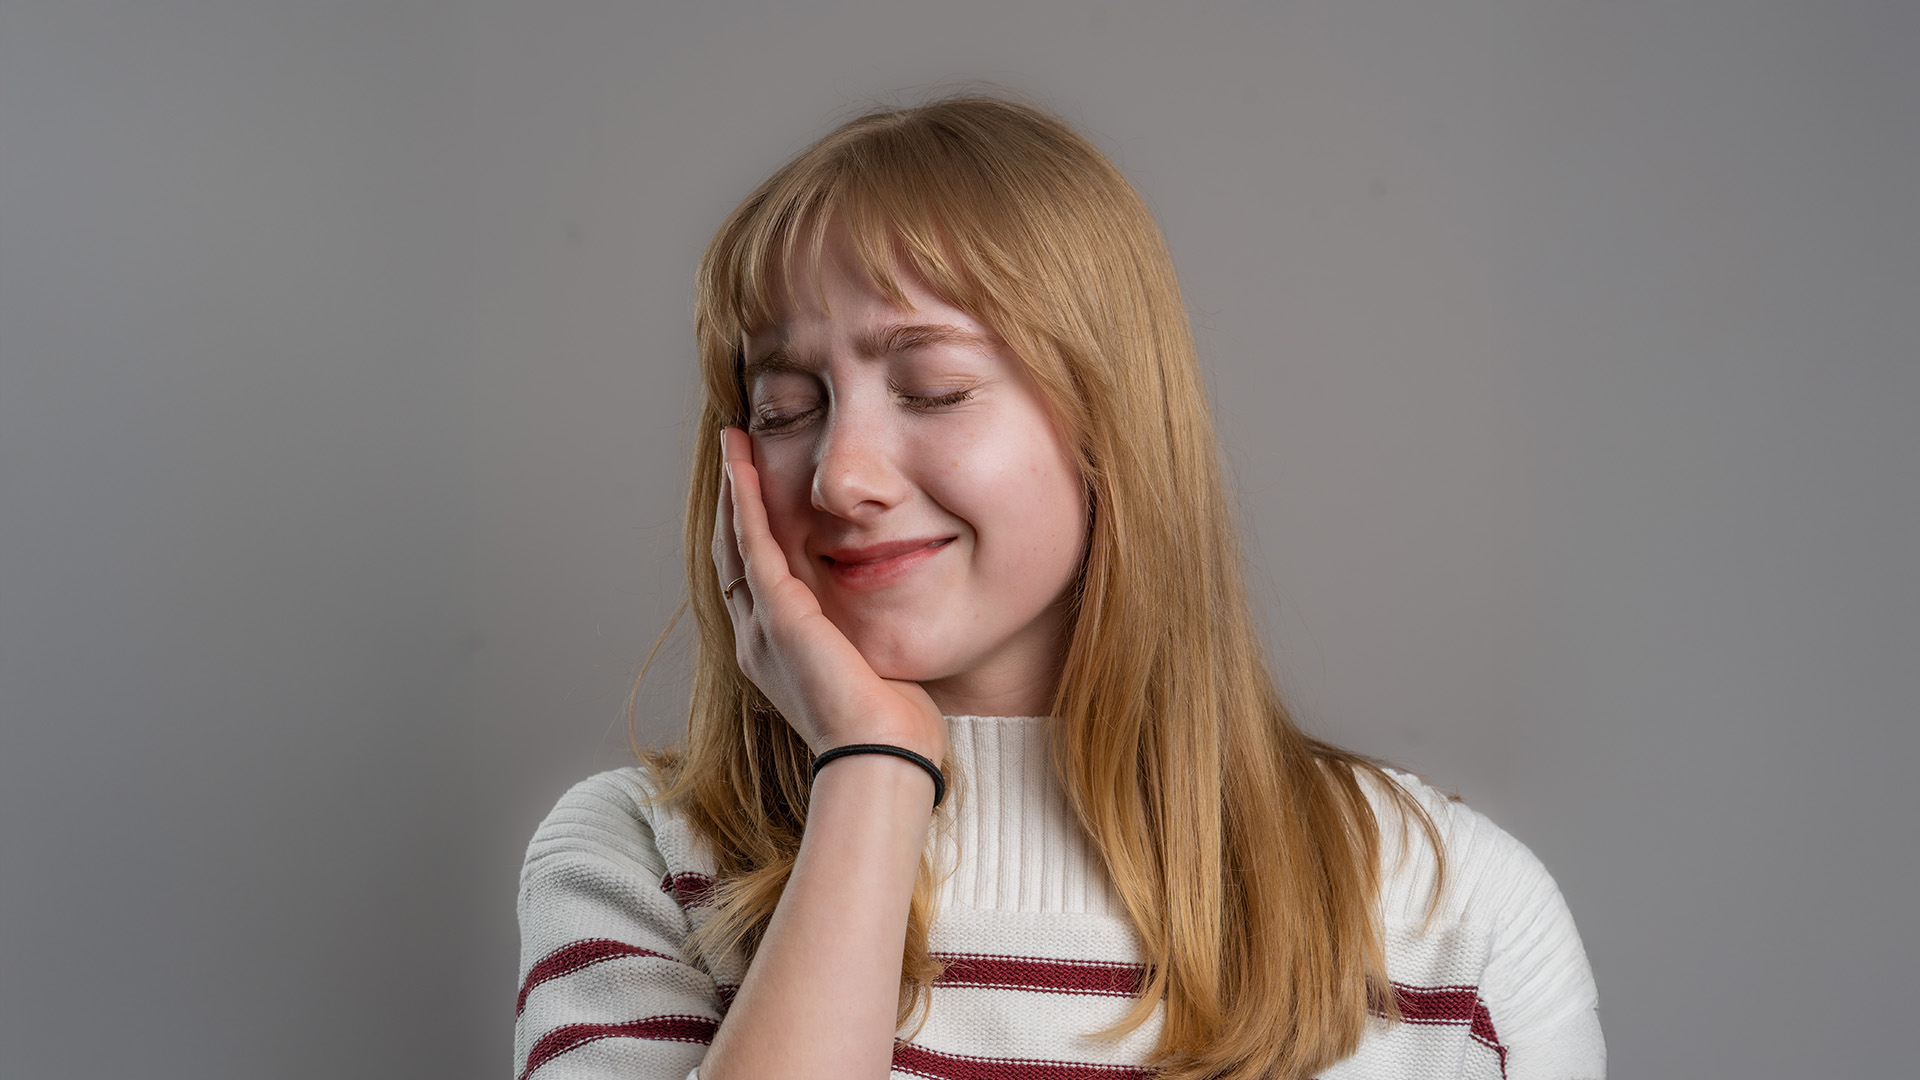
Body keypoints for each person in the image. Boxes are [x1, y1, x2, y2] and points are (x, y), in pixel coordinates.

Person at [513, 94, 1604, 1080]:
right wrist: (876, 776)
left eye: (933, 390)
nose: (841, 476)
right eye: (789, 408)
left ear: (1109, 424)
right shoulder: (637, 865)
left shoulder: (1449, 911)